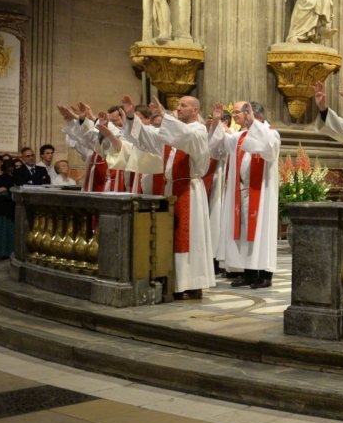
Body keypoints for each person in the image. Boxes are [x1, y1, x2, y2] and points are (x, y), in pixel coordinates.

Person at [120, 94, 214, 299]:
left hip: (188, 189)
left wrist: (166, 117)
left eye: (184, 105)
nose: (178, 108)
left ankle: (191, 284)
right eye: (177, 105)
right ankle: (172, 281)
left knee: (190, 238)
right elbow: (146, 138)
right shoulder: (170, 130)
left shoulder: (199, 130)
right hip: (169, 190)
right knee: (169, 237)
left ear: (195, 110)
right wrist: (130, 118)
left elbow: (187, 139)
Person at [209, 101, 281, 289]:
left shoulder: (271, 133)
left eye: (240, 113)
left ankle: (265, 275)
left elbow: (267, 147)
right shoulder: (240, 136)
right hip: (242, 191)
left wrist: (254, 123)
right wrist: (217, 122)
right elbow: (219, 144)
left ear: (254, 115)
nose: (236, 116)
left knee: (260, 233)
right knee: (243, 233)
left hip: (261, 193)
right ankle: (248, 273)